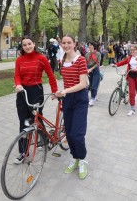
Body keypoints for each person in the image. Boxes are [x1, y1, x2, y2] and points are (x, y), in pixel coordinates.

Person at [14, 36, 58, 164]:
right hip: (22, 92)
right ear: (22, 47)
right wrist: (18, 84)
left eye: (29, 44)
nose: (27, 47)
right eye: (24, 45)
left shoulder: (41, 58)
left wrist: (54, 91)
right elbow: (17, 75)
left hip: (36, 91)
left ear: (34, 44)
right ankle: (23, 152)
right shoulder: (19, 60)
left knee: (36, 118)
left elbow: (50, 75)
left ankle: (44, 139)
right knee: (23, 122)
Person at [54, 34, 89, 180]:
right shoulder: (63, 60)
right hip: (68, 99)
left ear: (74, 43)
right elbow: (67, 82)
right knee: (68, 133)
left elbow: (83, 83)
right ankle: (75, 158)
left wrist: (65, 91)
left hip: (80, 98)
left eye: (69, 42)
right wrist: (59, 93)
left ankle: (82, 160)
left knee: (77, 134)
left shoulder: (80, 60)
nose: (66, 45)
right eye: (64, 43)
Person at [112, 44, 137, 116]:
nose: (132, 51)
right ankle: (132, 109)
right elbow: (123, 62)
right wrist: (116, 64)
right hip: (131, 76)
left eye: (133, 50)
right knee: (131, 93)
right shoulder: (129, 58)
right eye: (131, 50)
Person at [85, 42, 101, 107]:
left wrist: (91, 69)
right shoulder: (87, 54)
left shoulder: (98, 54)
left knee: (94, 85)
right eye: (89, 45)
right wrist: (86, 69)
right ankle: (95, 94)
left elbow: (98, 63)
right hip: (89, 71)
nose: (89, 46)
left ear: (94, 46)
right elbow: (86, 63)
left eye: (91, 45)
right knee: (91, 85)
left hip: (95, 70)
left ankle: (92, 99)